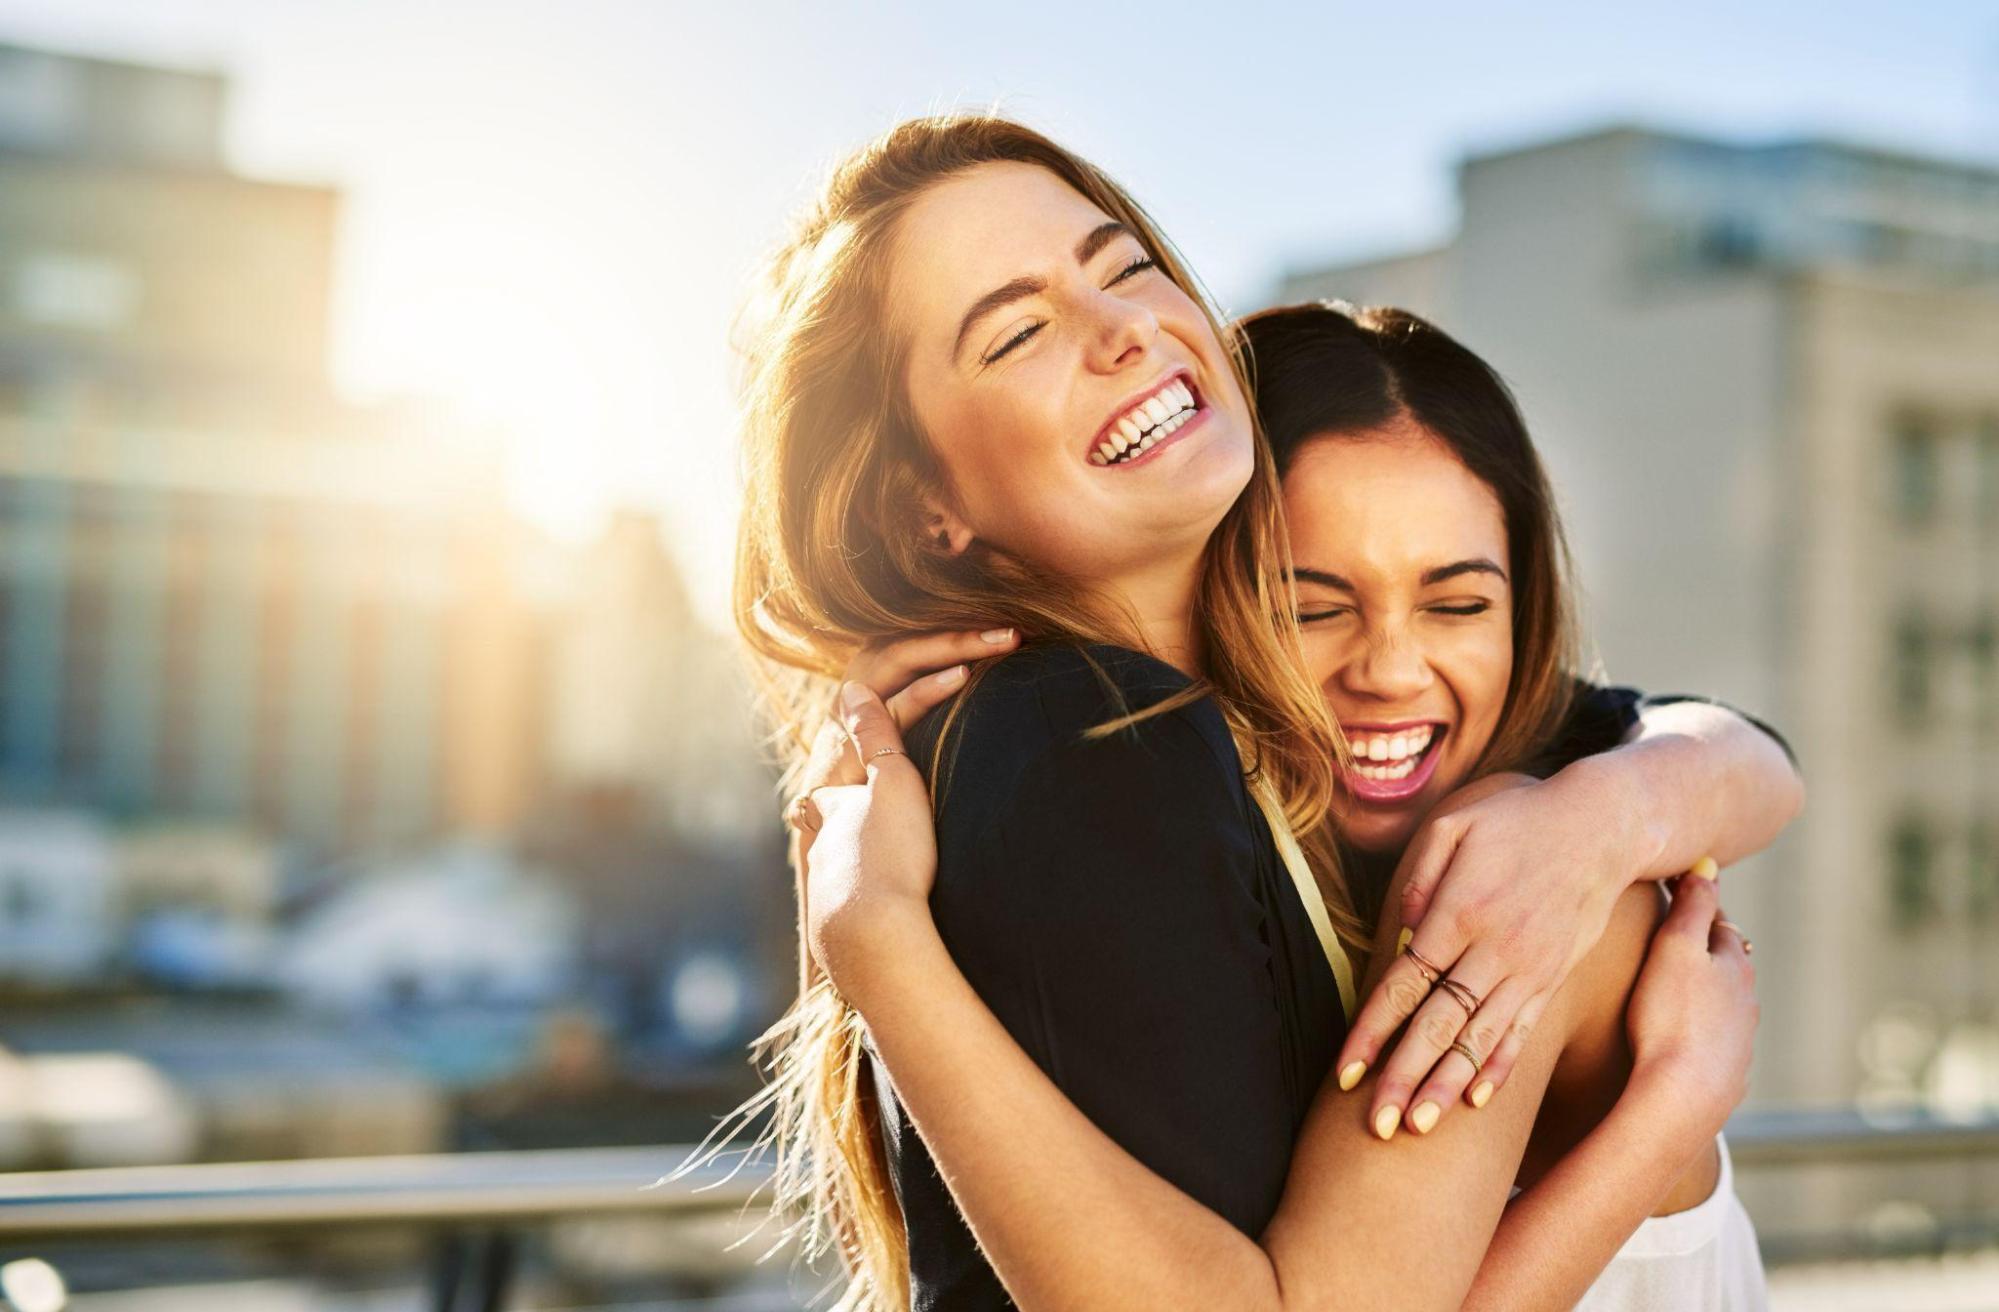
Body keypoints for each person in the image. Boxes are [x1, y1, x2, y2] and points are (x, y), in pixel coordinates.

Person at [722, 112, 1800, 1310]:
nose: (1123, 329)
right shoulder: (1088, 733)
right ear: (921, 502)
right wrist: (1666, 1114)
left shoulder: (1252, 724)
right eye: (1020, 329)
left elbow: (1744, 755)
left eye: (1124, 265)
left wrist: (1613, 809)